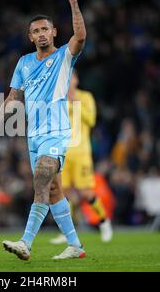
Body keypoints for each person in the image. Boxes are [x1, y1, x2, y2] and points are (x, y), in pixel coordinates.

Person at [0, 0, 86, 260]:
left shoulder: (64, 56)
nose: (41, 34)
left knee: (40, 179)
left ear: (54, 32)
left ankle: (26, 242)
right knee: (52, 190)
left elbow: (81, 36)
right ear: (30, 37)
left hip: (57, 131)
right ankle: (75, 246)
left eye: (45, 29)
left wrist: (73, 3)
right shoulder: (24, 62)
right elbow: (13, 97)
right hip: (33, 135)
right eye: (36, 31)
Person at [50, 70, 113, 245]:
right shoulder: (58, 99)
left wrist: (75, 103)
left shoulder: (85, 97)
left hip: (81, 153)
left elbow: (91, 120)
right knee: (66, 194)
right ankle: (67, 232)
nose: (69, 82)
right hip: (64, 153)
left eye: (71, 78)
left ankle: (104, 221)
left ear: (76, 79)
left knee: (86, 193)